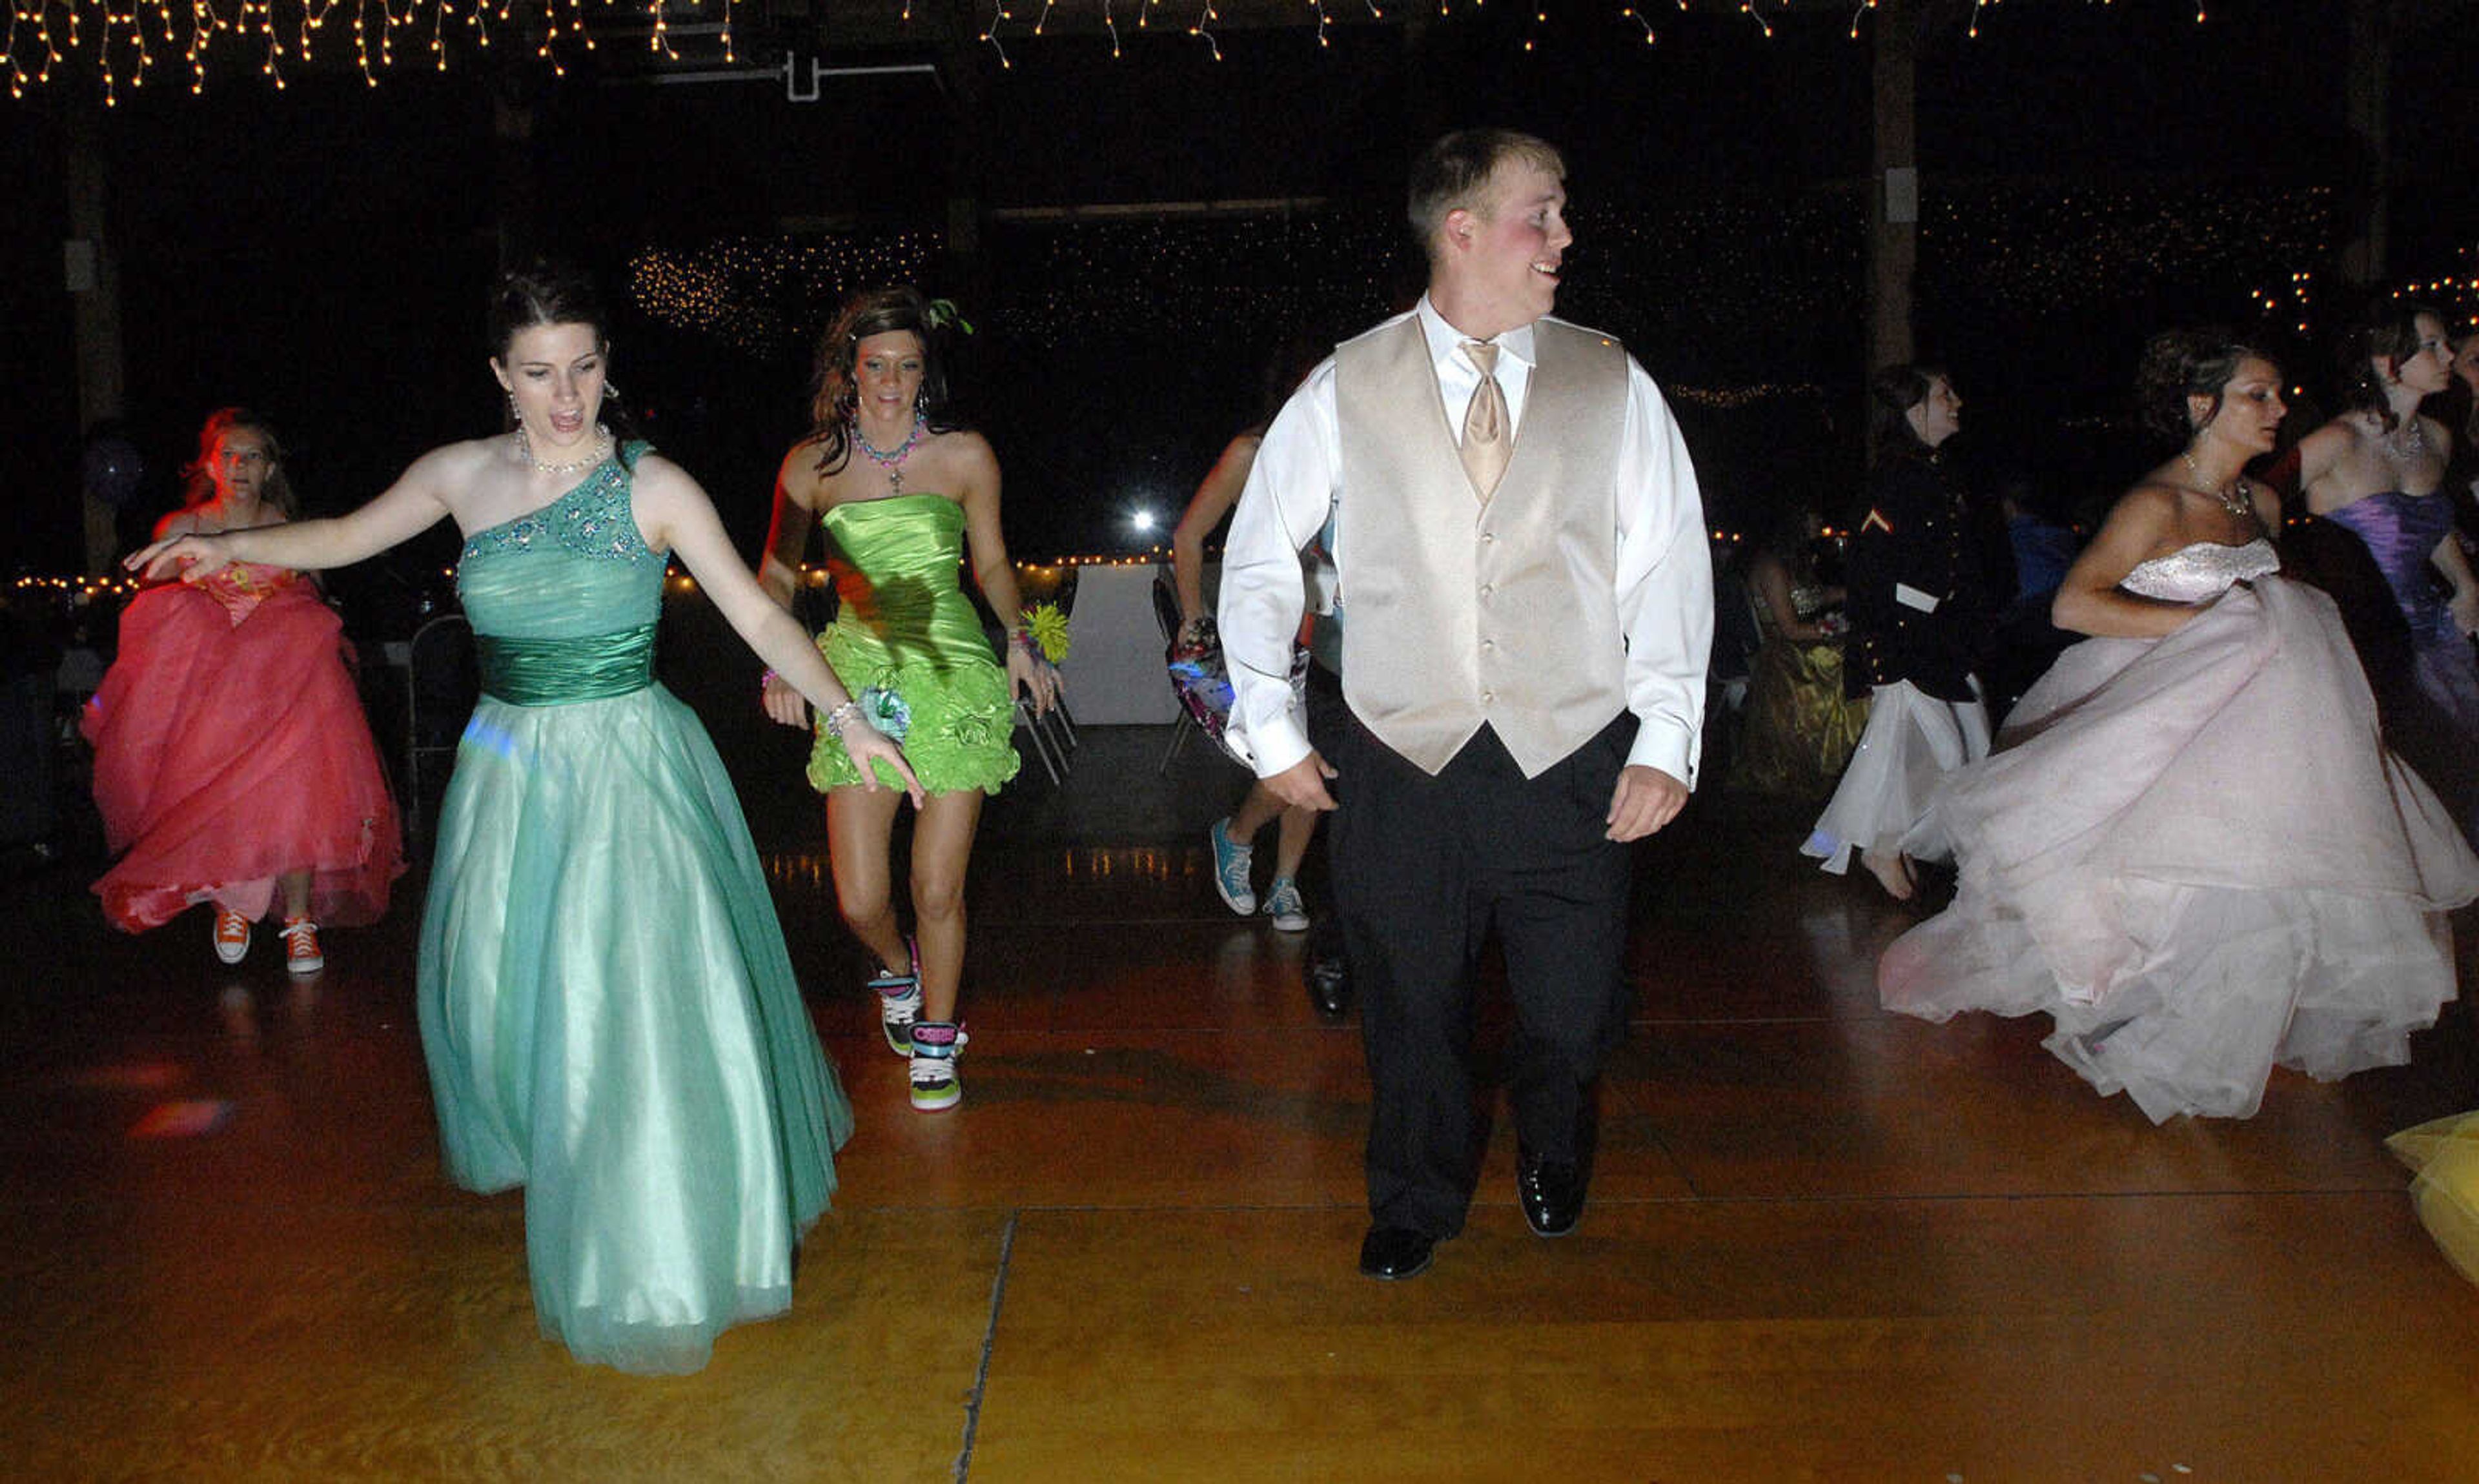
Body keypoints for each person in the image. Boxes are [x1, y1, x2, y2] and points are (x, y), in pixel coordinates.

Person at [129, 263, 917, 1374]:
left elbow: (754, 612)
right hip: (511, 772)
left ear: (607, 367)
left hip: (631, 768)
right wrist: (229, 546)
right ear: (501, 374)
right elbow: (346, 535)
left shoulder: (656, 485)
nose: (566, 396)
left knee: (631, 1008)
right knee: (510, 1005)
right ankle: (585, 1169)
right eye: (541, 373)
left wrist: (848, 712)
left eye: (585, 368)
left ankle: (655, 1241)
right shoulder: (460, 473)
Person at [1218, 129, 1711, 1281]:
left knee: (1576, 1009)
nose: (1564, 237)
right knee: (1410, 1006)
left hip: (1575, 751)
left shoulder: (1611, 377)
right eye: (1544, 213)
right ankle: (1414, 1194)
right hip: (1403, 755)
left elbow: (1669, 567)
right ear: (1464, 229)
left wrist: (1668, 739)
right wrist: (1273, 728)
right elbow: (1257, 558)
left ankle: (1552, 1136)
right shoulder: (1346, 380)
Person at [1877, 329, 2479, 1123]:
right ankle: (2149, 1024)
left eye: (2278, 394)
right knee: (2164, 877)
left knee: (2256, 882)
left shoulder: (2257, 502)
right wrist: (2203, 624)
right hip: (2177, 712)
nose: (2277, 409)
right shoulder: (2156, 503)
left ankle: (2228, 1029)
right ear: (2203, 406)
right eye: (2256, 396)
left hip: (2263, 726)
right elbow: (2074, 603)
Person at [756, 285, 1057, 1113]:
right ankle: (898, 969)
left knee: (935, 888)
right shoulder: (810, 465)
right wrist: (780, 666)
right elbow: (777, 575)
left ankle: (937, 1031)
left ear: (927, 373)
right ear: (848, 370)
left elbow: (992, 565)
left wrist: (1019, 636)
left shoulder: (966, 457)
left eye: (909, 366)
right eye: (877, 364)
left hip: (957, 677)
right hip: (856, 681)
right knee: (860, 899)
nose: (892, 380)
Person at [84, 408, 402, 973]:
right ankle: (235, 898)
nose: (239, 466)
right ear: (209, 463)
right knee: (229, 790)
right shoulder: (182, 528)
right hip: (215, 698)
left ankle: (299, 920)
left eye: (253, 456)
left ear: (270, 467)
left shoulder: (284, 523)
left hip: (290, 690)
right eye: (229, 454)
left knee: (303, 792)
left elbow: (312, 594)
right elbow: (150, 620)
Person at [1801, 365, 1992, 899]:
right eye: (1943, 394)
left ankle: (1891, 842)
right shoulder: (1894, 480)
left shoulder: (1937, 473)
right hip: (1906, 643)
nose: (1956, 401)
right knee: (1941, 754)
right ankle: (1884, 843)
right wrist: (1882, 653)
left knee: (1963, 749)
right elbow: (1873, 574)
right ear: (1914, 410)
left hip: (1941, 644)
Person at [2292, 302, 2479, 824]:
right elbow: (2262, 507)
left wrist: (2467, 587)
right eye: (2432, 345)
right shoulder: (2335, 442)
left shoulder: (2436, 438)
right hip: (2363, 634)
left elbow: (2433, 524)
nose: (2447, 355)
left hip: (2434, 629)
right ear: (2385, 361)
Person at [1169, 341, 1326, 936]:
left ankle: (1285, 882)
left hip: (1327, 638)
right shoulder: (1250, 452)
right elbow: (1189, 537)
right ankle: (1236, 835)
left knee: (1314, 763)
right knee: (1289, 761)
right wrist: (1192, 617)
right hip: (1262, 640)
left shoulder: (1345, 457)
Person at [1729, 504, 1868, 797]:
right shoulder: (1772, 567)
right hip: (1785, 654)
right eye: (1814, 517)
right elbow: (1790, 629)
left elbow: (1812, 596)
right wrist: (1837, 628)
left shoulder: (1794, 563)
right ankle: (1840, 755)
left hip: (1803, 643)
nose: (1820, 522)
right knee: (1846, 659)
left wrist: (1852, 591)